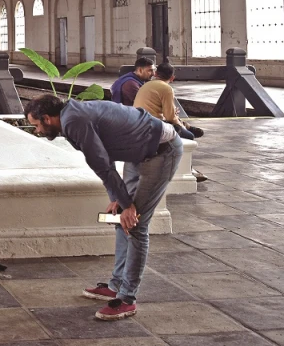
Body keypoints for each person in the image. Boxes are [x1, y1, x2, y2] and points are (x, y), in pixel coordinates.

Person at [25, 94, 182, 321]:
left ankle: (127, 299)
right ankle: (116, 285)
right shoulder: (71, 115)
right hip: (138, 152)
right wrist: (119, 200)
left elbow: (103, 166)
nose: (37, 130)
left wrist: (128, 205)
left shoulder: (73, 122)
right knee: (120, 218)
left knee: (136, 225)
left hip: (162, 151)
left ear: (48, 119)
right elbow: (105, 159)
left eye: (36, 125)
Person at [133, 62, 204, 140]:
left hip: (139, 122)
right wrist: (182, 127)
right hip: (153, 124)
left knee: (177, 121)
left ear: (156, 74)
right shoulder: (167, 88)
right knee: (190, 136)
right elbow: (170, 117)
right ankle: (186, 127)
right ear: (172, 78)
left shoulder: (145, 85)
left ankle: (187, 126)